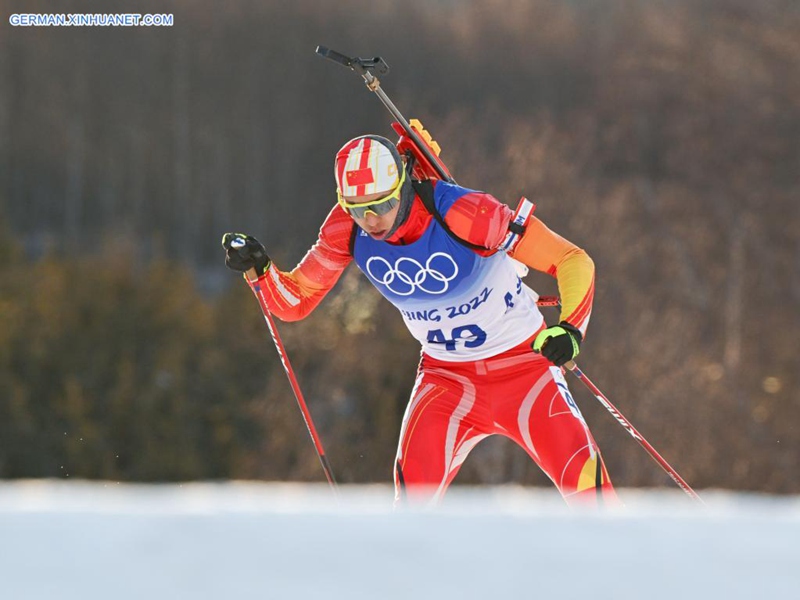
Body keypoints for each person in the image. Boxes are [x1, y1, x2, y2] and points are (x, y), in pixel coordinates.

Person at [222, 134, 617, 506]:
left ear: (402, 189)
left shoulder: (464, 212)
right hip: (448, 381)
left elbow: (572, 259)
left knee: (589, 494)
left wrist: (570, 328)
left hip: (525, 369)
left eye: (380, 205)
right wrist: (261, 270)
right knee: (411, 508)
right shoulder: (347, 229)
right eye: (358, 209)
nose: (371, 220)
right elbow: (296, 302)